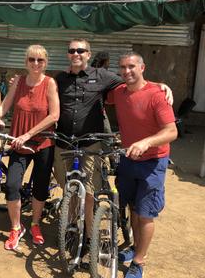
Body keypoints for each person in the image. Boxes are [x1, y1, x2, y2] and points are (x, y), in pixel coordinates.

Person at [53, 39, 173, 256]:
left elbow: (135, 81)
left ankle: (90, 236)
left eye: (81, 50)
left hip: (92, 144)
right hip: (64, 144)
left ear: (89, 54)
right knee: (69, 190)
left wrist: (160, 85)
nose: (76, 53)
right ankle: (72, 227)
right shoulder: (59, 79)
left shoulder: (103, 76)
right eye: (72, 50)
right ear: (68, 54)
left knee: (90, 193)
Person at [0, 44, 60, 249]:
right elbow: (4, 106)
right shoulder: (19, 82)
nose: (35, 63)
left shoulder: (50, 83)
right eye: (31, 59)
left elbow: (54, 115)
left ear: (45, 63)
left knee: (40, 187)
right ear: (26, 62)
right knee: (13, 185)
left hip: (43, 142)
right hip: (18, 142)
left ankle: (34, 223)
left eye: (40, 60)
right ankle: (16, 228)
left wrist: (28, 134)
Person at [107, 52, 177, 278]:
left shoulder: (157, 95)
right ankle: (136, 247)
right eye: (122, 67)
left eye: (131, 66)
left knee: (146, 214)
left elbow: (171, 131)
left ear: (143, 67)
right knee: (133, 207)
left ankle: (139, 262)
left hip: (153, 162)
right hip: (128, 159)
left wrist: (146, 141)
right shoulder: (119, 92)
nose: (126, 71)